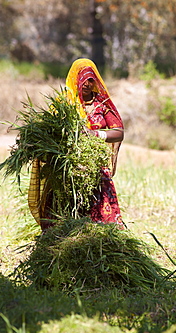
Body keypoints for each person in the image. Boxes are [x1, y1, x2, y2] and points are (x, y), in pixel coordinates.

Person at [28, 58, 124, 230]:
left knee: (101, 221)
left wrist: (96, 134)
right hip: (67, 169)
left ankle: (103, 240)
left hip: (95, 169)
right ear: (75, 79)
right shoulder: (64, 104)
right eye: (83, 79)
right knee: (61, 218)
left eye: (91, 79)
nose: (87, 84)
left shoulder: (101, 104)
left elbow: (118, 132)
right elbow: (51, 133)